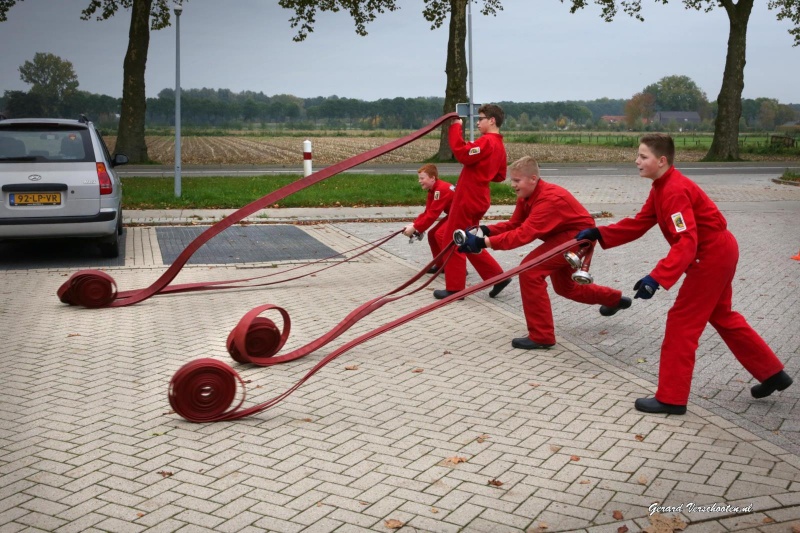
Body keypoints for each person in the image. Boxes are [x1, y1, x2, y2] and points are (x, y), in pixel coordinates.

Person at [575, 133, 792, 414]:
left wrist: (657, 278)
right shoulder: (661, 187)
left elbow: (686, 242)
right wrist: (599, 233)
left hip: (711, 256)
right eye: (638, 156)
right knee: (723, 316)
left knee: (681, 322)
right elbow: (640, 223)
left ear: (661, 160)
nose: (636, 161)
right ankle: (773, 373)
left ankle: (672, 398)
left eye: (643, 156)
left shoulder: (674, 191)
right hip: (719, 251)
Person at [458, 156, 630, 350]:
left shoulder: (549, 199)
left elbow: (523, 235)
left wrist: (482, 242)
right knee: (566, 288)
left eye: (517, 180)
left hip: (577, 238)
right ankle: (615, 299)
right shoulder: (526, 195)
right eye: (512, 180)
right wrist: (484, 230)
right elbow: (515, 224)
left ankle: (542, 336)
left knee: (530, 271)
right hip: (562, 236)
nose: (512, 185)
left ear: (533, 178)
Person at [434, 104, 510, 300]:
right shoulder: (500, 145)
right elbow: (501, 175)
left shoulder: (487, 142)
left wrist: (456, 126)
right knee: (468, 239)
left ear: (492, 121)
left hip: (468, 196)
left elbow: (460, 152)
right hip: (480, 196)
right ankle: (497, 277)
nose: (478, 122)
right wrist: (481, 173)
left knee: (453, 239)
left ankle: (455, 288)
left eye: (481, 118)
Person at [402, 164, 454, 273]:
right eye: (419, 178)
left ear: (432, 178)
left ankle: (455, 266)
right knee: (432, 234)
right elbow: (428, 212)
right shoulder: (433, 190)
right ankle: (441, 265)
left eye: (422, 178)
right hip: (454, 214)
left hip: (462, 215)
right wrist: (414, 225)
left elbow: (433, 215)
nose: (419, 181)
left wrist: (416, 228)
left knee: (440, 234)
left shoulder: (441, 190)